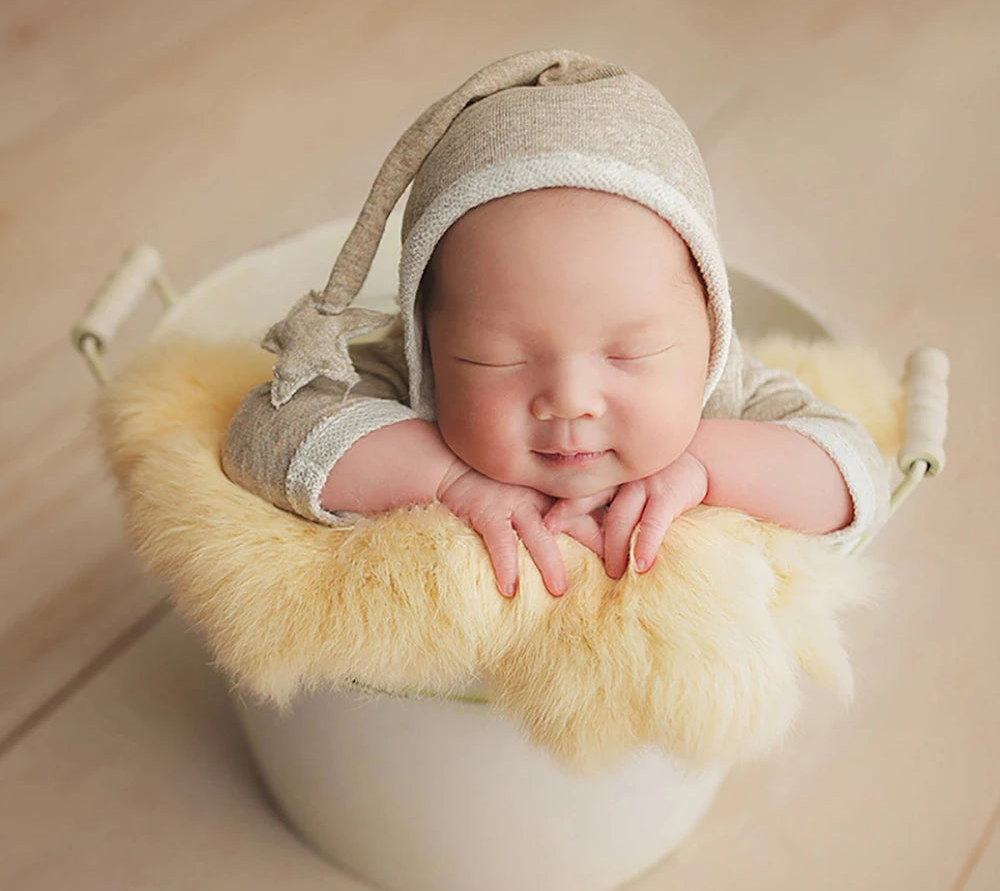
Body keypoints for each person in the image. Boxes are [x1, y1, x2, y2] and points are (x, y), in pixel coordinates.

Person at [222, 49, 889, 599]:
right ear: (427, 339)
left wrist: (704, 467)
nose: (569, 399)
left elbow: (856, 476)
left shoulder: (725, 397)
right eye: (496, 360)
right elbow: (262, 431)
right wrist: (447, 480)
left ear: (710, 331)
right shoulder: (404, 383)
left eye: (630, 353)